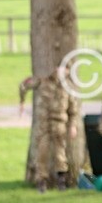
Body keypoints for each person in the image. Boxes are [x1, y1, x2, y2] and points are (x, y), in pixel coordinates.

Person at [19, 65, 80, 193]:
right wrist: (22, 101)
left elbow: (73, 110)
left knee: (60, 155)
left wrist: (73, 126)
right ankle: (41, 182)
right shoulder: (42, 82)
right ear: (57, 69)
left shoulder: (67, 88)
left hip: (59, 125)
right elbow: (23, 85)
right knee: (42, 154)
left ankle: (61, 182)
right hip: (43, 125)